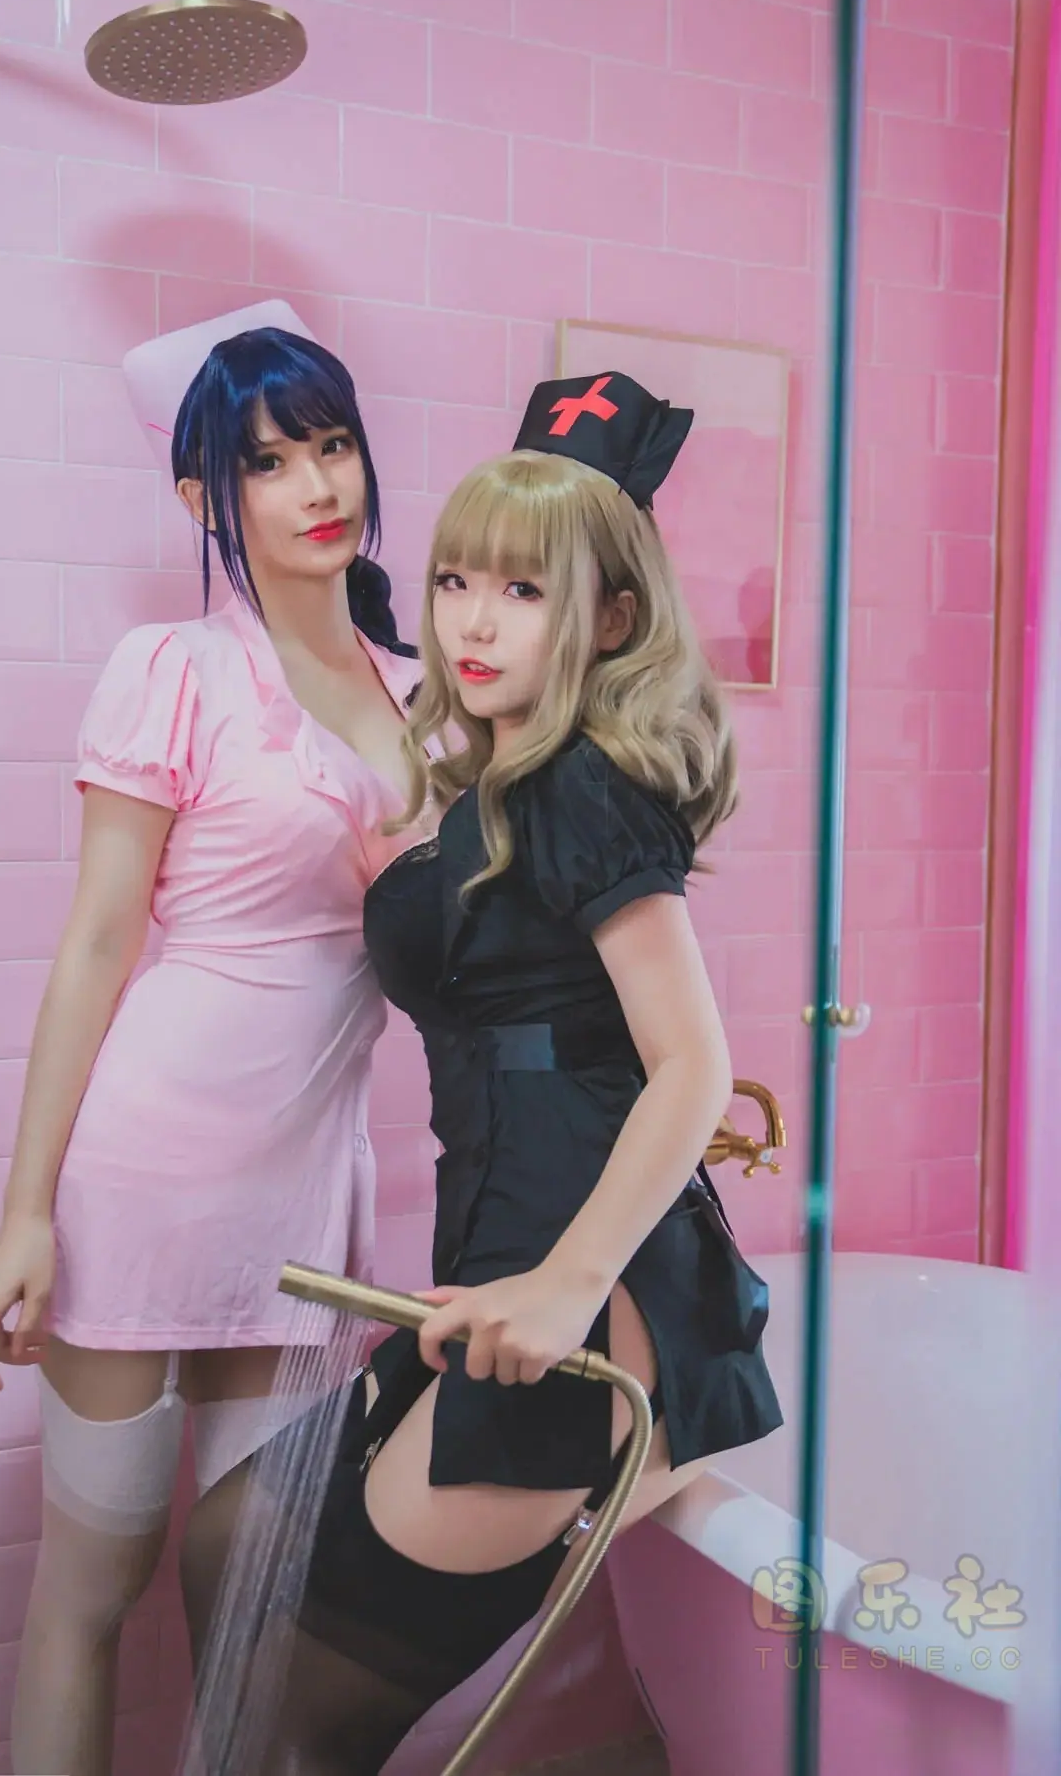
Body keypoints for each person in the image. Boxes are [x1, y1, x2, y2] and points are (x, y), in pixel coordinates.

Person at [228, 369, 785, 1775]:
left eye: (526, 592)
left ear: (612, 619)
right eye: (458, 579)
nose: (474, 621)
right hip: (507, 1255)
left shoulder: (583, 785)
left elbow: (691, 1064)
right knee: (229, 1533)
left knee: (308, 1719)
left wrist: (566, 1282)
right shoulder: (502, 783)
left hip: (587, 1284)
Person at [0, 300, 429, 1776]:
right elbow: (99, 944)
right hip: (146, 1176)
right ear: (202, 498)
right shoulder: (174, 667)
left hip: (307, 1198)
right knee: (92, 1585)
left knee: (251, 1601)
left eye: (332, 445)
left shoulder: (426, 694)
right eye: (269, 463)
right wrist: (25, 1212)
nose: (317, 486)